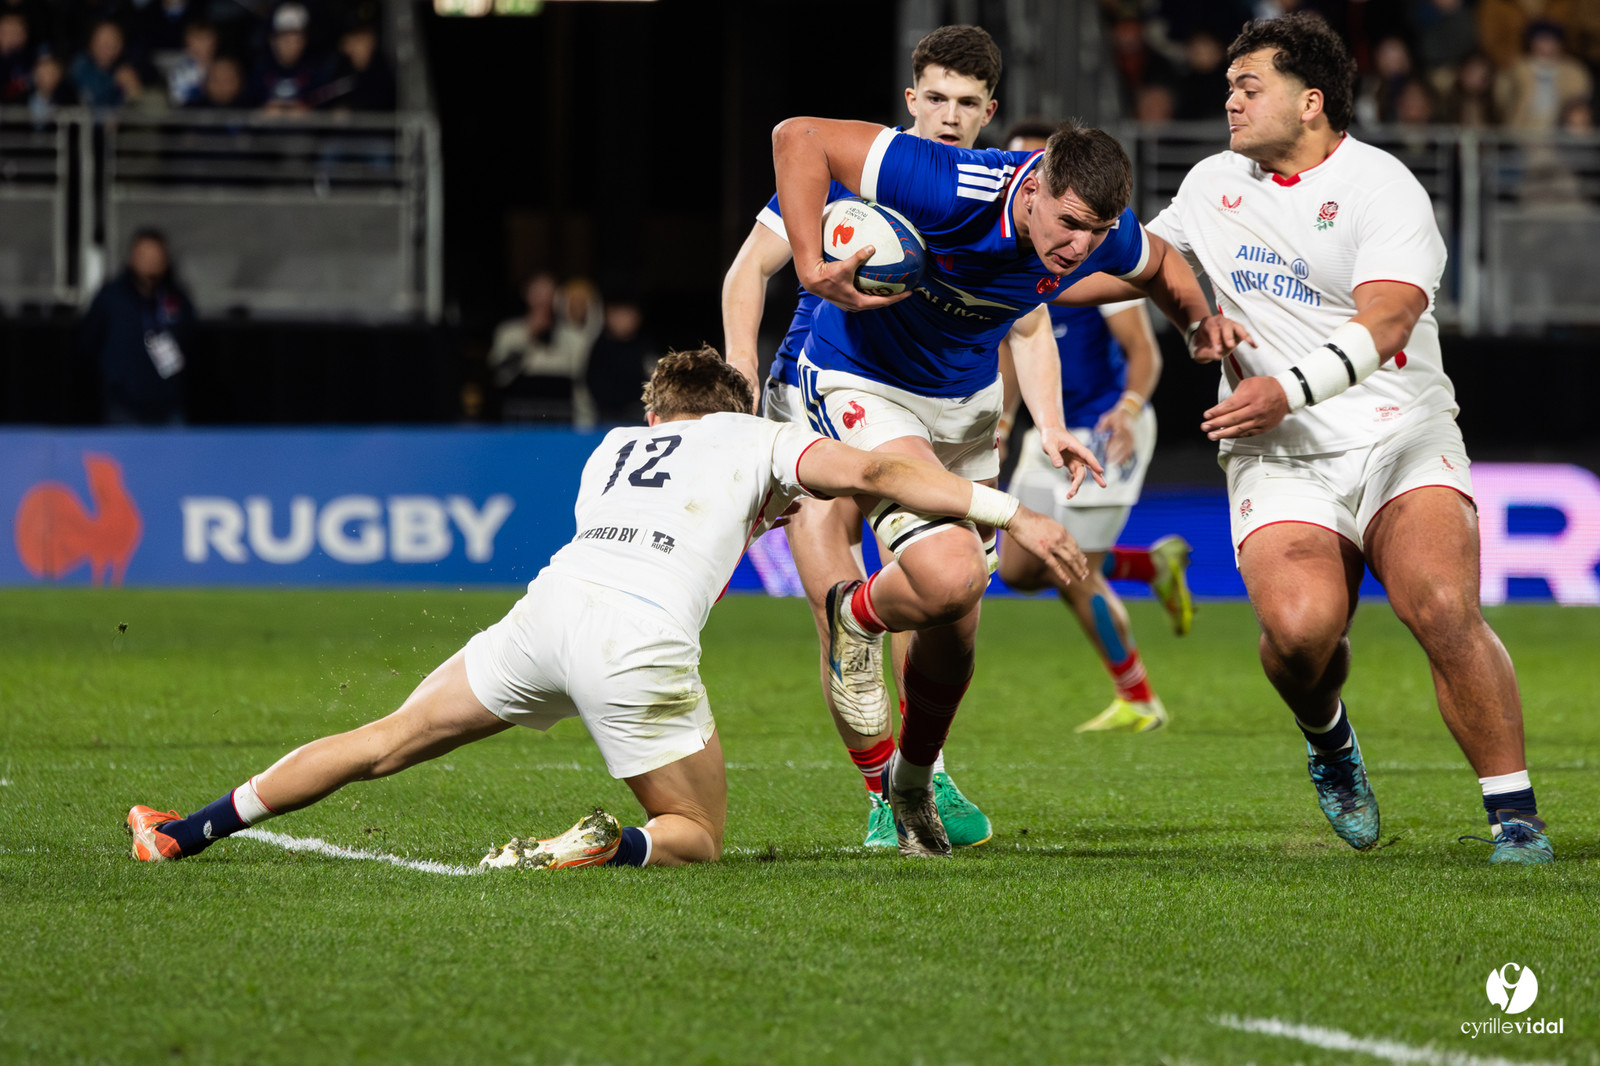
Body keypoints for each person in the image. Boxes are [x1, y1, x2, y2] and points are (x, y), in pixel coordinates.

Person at [126, 347, 1092, 869]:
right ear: (731, 406)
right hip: (638, 643)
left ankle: (187, 830)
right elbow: (879, 470)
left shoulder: (609, 454)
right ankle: (601, 843)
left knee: (385, 739)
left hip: (544, 617)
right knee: (695, 839)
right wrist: (1007, 511)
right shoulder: (754, 437)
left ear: (655, 414)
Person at [1063, 12, 1552, 864]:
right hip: (1280, 457)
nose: (1230, 100)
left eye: (1249, 86)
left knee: (1439, 603)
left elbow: (1391, 319)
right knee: (1298, 635)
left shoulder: (1384, 187)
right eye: (1228, 88)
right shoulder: (1217, 183)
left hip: (1398, 433)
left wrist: (1283, 389)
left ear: (1312, 101)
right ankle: (1330, 741)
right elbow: (1143, 262)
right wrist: (1003, 275)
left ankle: (1514, 817)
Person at [770, 104, 1243, 856]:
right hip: (866, 386)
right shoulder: (946, 182)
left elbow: (1159, 265)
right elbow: (798, 136)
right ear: (1036, 187)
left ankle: (915, 786)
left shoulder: (1095, 233)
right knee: (951, 570)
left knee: (956, 629)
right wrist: (805, 259)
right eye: (1068, 223)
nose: (1077, 246)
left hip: (966, 409)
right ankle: (857, 615)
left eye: (1094, 232)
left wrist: (1198, 324)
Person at [723, 25, 1025, 850]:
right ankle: (877, 794)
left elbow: (1027, 317)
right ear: (911, 100)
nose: (951, 117)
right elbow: (747, 270)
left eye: (968, 104)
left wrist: (1027, 410)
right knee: (839, 611)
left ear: (988, 112)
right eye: (937, 99)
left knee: (936, 599)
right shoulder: (850, 175)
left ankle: (921, 771)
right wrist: (741, 378)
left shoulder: (989, 202)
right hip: (810, 400)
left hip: (925, 418)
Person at [996, 120, 1193, 736]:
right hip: (1050, 434)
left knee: (1073, 568)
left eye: (1034, 171)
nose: (1023, 187)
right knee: (1018, 569)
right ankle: (1149, 567)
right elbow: (1012, 343)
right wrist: (1004, 419)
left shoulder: (1091, 257)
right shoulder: (1006, 256)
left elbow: (1145, 354)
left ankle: (1138, 697)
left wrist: (1129, 412)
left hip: (1107, 431)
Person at [78, 228, 196, 425]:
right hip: (124, 408)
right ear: (131, 258)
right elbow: (88, 343)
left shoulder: (176, 298)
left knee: (174, 455)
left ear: (165, 260)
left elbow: (191, 341)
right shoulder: (111, 298)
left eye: (156, 255)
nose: (150, 261)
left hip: (169, 407)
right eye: (144, 255)